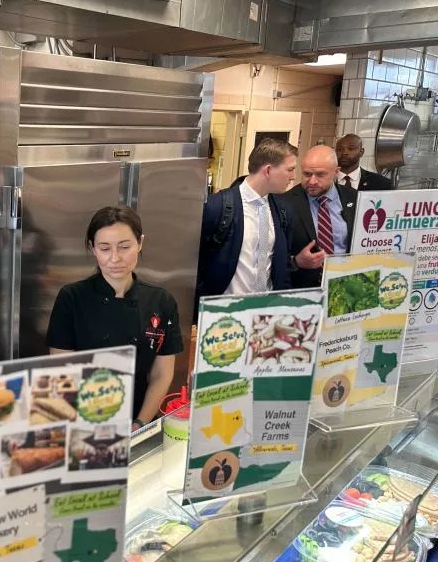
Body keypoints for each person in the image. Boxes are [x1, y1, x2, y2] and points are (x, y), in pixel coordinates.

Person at [46, 206, 182, 430]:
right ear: (93, 248)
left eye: (125, 246)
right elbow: (62, 372)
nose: (115, 258)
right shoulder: (72, 298)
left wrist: (139, 424)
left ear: (140, 243)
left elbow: (161, 374)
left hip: (138, 416)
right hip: (82, 421)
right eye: (105, 248)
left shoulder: (161, 301)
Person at [196, 138, 297, 301]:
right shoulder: (217, 207)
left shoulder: (282, 210)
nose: (293, 177)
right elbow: (197, 263)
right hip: (226, 312)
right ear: (268, 170)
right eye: (290, 169)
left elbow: (281, 265)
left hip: (266, 310)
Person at [279, 145, 358, 289]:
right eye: (307, 174)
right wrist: (296, 261)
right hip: (302, 291)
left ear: (336, 172)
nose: (312, 181)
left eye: (320, 175)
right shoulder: (284, 203)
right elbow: (272, 257)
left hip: (347, 287)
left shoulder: (354, 198)